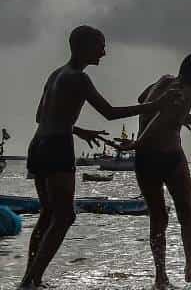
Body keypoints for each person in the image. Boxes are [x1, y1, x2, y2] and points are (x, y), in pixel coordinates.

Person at [19, 25, 181, 290]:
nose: (104, 52)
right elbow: (109, 112)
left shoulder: (56, 74)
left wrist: (78, 129)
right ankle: (31, 281)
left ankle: (31, 277)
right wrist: (157, 105)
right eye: (100, 46)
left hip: (38, 144)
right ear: (83, 47)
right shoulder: (79, 78)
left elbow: (42, 117)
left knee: (48, 213)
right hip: (56, 147)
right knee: (65, 217)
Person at [132, 51, 191, 289]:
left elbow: (143, 100)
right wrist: (139, 140)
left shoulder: (164, 80)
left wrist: (182, 116)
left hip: (144, 159)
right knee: (185, 214)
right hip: (167, 156)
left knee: (158, 216)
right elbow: (161, 117)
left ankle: (161, 278)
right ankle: (190, 270)